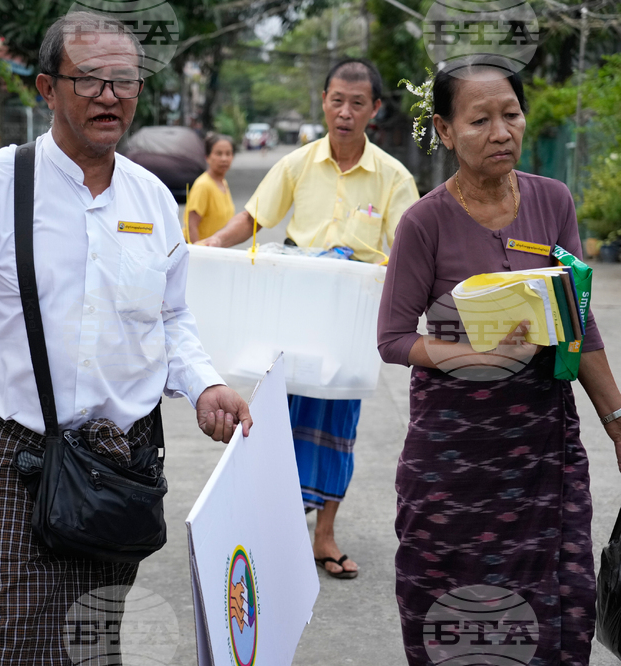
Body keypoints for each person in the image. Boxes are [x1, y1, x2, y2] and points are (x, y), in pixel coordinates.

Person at [0, 11, 252, 665]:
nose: (109, 95)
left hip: (124, 459)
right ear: (47, 89)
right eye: (89, 79)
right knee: (15, 637)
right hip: (17, 453)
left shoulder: (152, 201)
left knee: (92, 639)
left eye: (124, 79)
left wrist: (205, 386)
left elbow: (170, 319)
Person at [377, 55, 621, 665]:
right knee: (451, 599)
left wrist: (617, 421)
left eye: (510, 114)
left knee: (558, 595)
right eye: (480, 120)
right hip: (453, 454)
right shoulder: (425, 222)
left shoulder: (552, 201)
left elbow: (578, 319)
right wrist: (472, 353)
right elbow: (393, 339)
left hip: (541, 448)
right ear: (444, 129)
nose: (501, 132)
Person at [198, 58, 420, 579]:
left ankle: (324, 534)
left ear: (375, 109)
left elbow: (411, 246)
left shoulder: (393, 176)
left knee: (339, 419)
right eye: (336, 101)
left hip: (349, 319)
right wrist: (211, 244)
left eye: (357, 104)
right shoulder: (297, 164)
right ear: (323, 101)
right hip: (296, 310)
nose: (345, 112)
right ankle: (272, 529)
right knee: (279, 414)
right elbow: (254, 217)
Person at [185, 132, 235, 243]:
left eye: (228, 153)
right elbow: (191, 226)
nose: (224, 159)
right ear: (207, 157)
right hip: (204, 251)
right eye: (218, 153)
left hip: (217, 250)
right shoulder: (203, 185)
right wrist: (198, 251)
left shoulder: (223, 183)